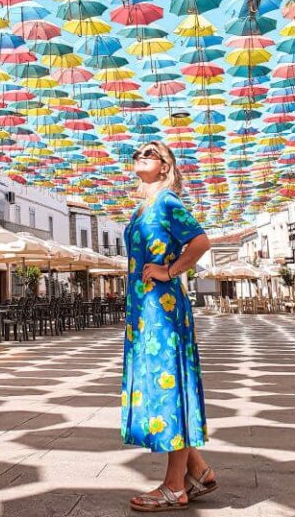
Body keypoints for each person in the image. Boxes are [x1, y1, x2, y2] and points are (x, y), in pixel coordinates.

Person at [122, 141, 215, 512]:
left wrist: (170, 270)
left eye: (148, 153)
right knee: (163, 383)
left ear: (165, 167)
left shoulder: (166, 202)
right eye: (136, 155)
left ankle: (174, 486)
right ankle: (199, 471)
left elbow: (201, 241)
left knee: (168, 387)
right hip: (145, 312)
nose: (138, 157)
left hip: (163, 311)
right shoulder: (142, 207)